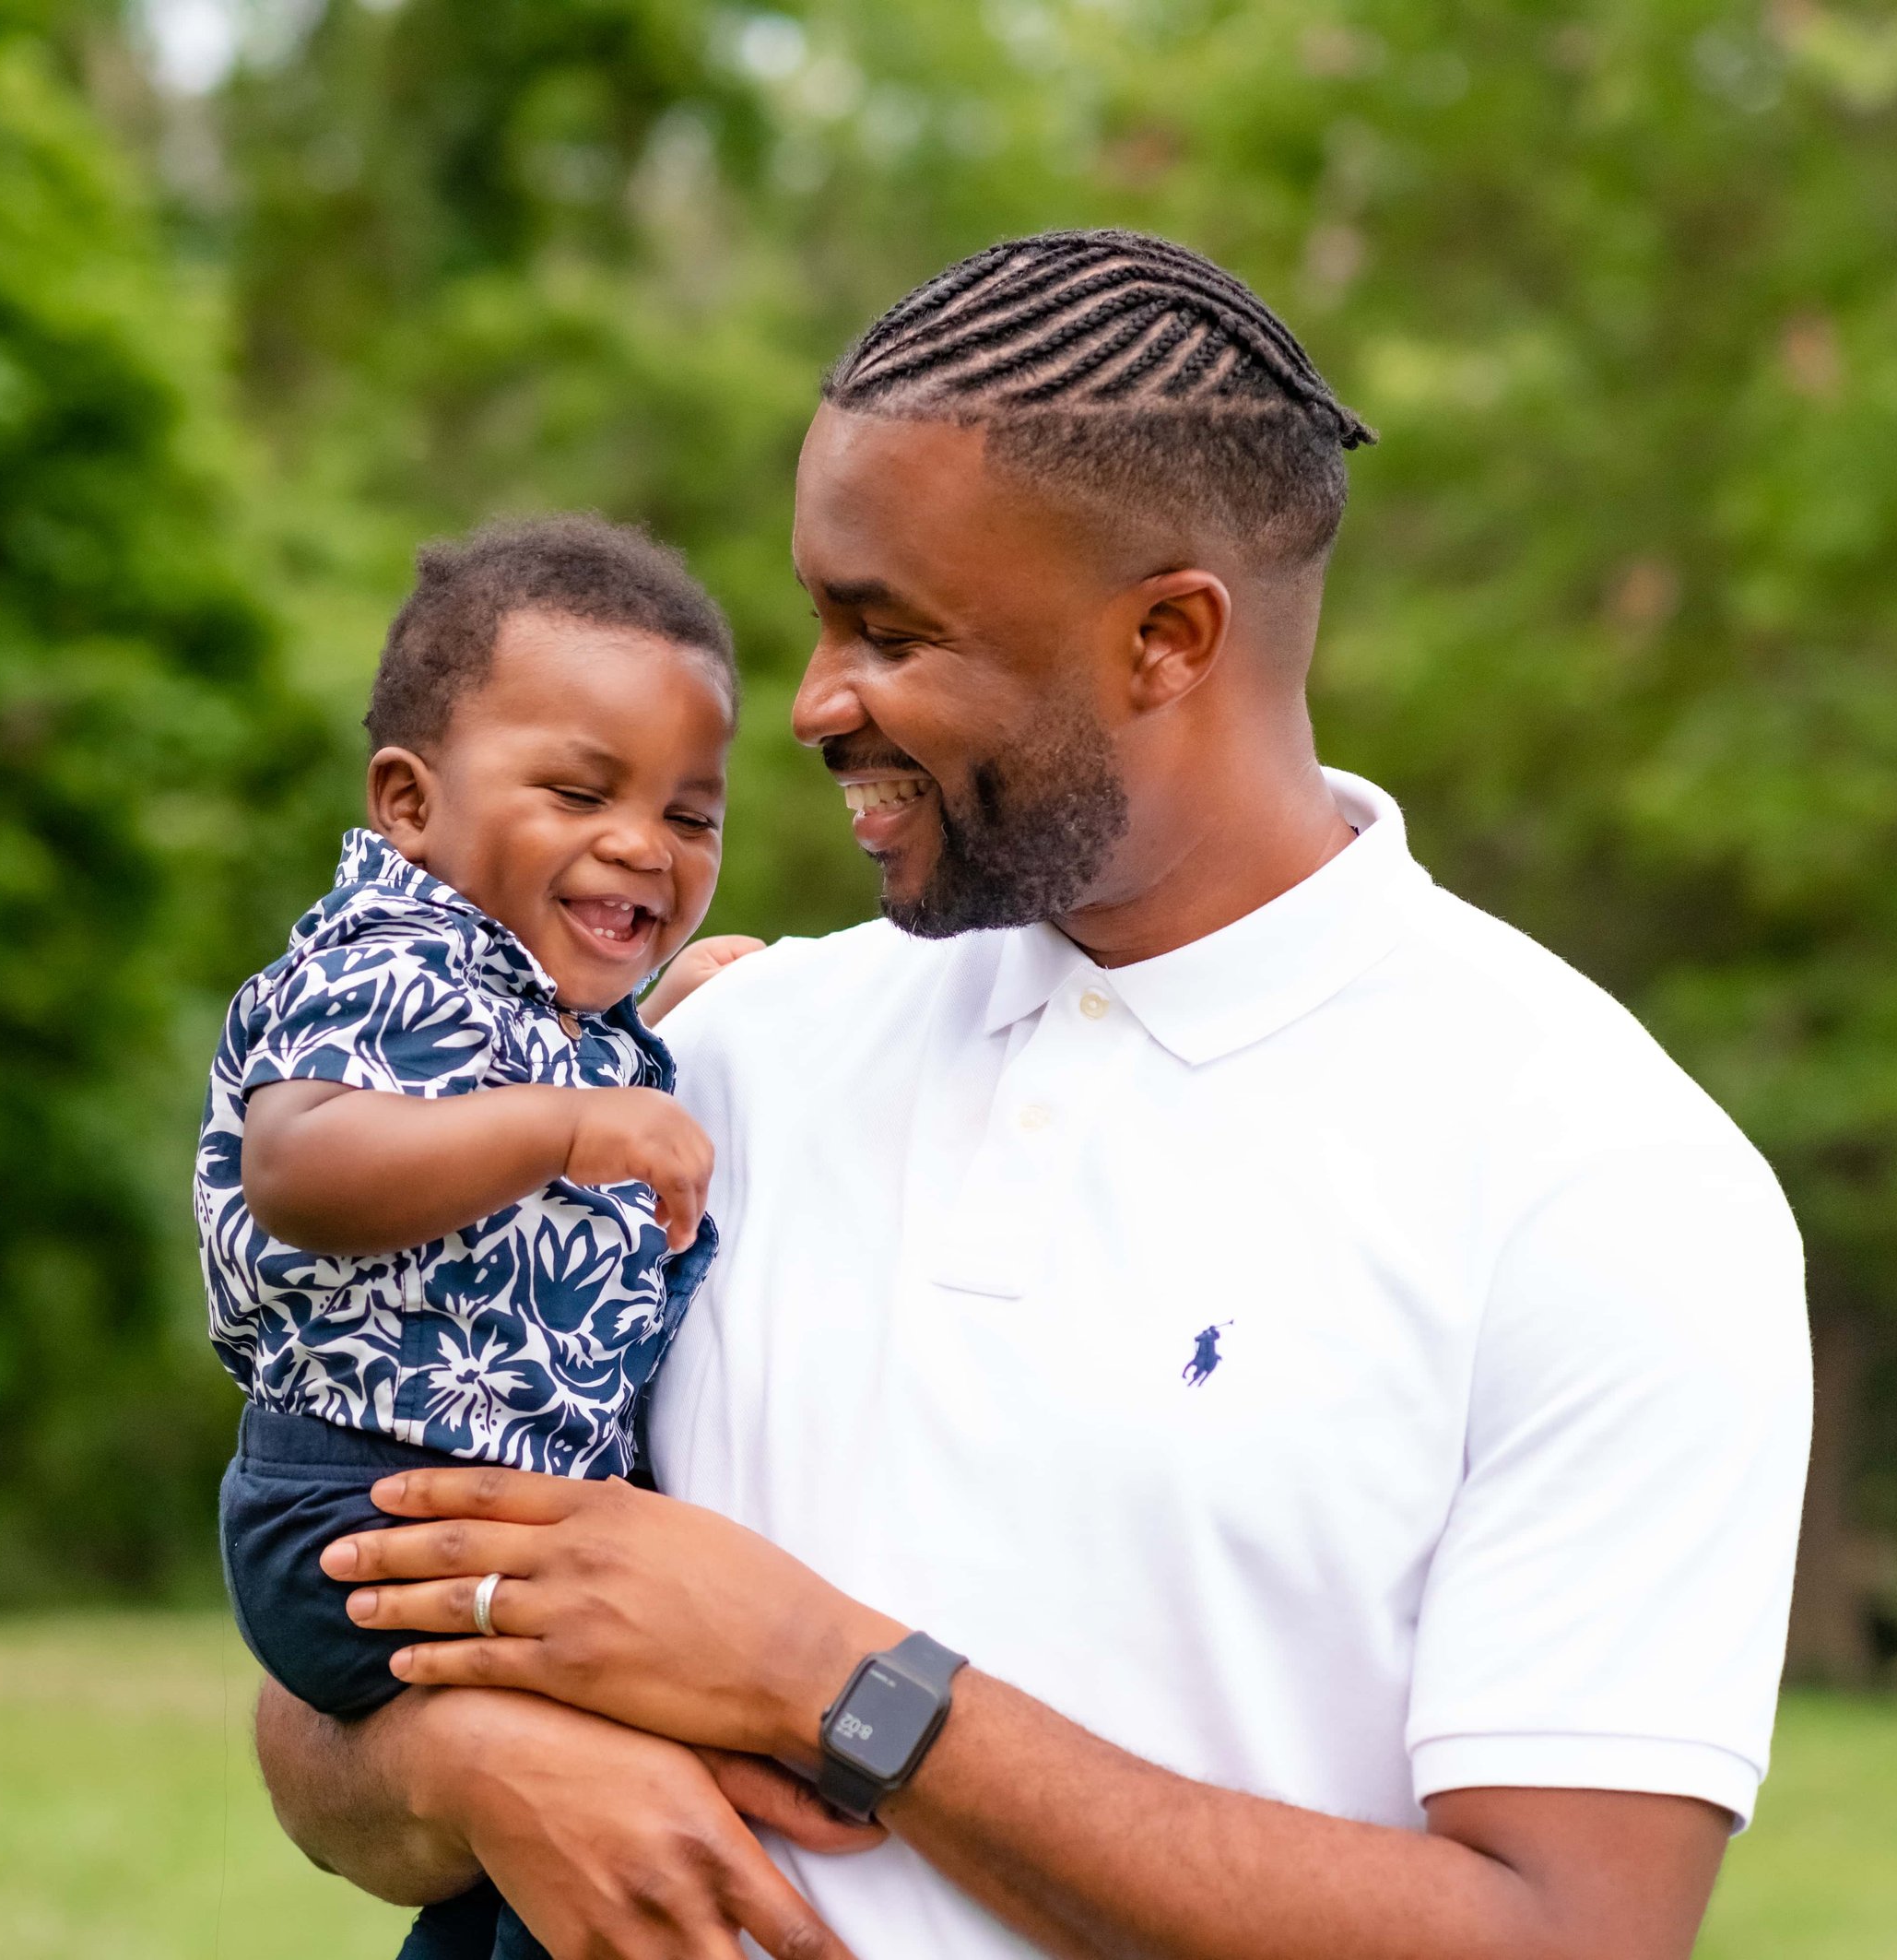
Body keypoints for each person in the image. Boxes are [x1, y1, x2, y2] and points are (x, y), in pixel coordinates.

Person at [252, 231, 1813, 1960]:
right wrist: (477, 1761)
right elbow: (315, 1700)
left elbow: (1569, 1939)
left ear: (1165, 637)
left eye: (888, 628)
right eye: (817, 614)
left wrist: (833, 1682)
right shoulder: (707, 1064)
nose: (814, 702)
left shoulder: (1607, 1183)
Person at [194, 514, 857, 1960]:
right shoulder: (387, 960)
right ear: (408, 803)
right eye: (578, 790)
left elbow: (524, 1143)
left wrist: (660, 1021)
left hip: (467, 1509)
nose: (643, 842)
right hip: (360, 1512)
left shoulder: (550, 1008)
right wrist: (568, 1121)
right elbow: (304, 1163)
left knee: (549, 1858)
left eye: (692, 817)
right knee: (633, 1726)